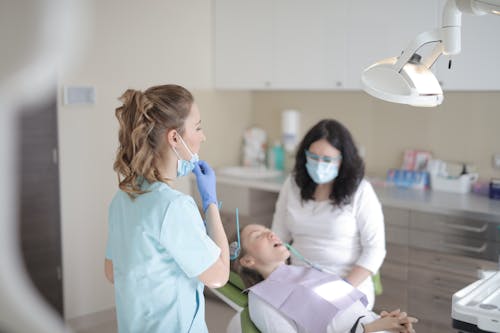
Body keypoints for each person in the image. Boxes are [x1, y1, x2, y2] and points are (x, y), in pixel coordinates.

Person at [104, 84, 229, 333]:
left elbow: (112, 272)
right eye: (198, 127)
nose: (203, 136)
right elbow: (219, 276)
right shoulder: (174, 206)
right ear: (174, 138)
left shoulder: (123, 198)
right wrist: (210, 202)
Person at [272, 119, 385, 309]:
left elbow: (374, 250)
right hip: (299, 282)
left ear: (343, 161)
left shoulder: (361, 191)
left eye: (327, 159)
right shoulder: (292, 186)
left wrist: (342, 290)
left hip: (347, 284)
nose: (319, 164)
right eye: (313, 157)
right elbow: (278, 238)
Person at [231, 224, 417, 333]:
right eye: (257, 236)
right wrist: (369, 328)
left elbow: (350, 313)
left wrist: (387, 322)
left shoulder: (308, 274)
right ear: (247, 260)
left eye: (267, 229)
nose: (270, 233)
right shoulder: (262, 300)